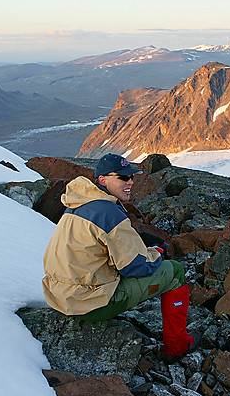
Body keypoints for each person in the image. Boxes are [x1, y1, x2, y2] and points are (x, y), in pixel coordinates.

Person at [42, 153, 201, 361]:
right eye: (123, 178)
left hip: (58, 295)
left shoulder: (78, 203)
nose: (130, 182)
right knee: (175, 272)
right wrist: (158, 253)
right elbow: (136, 267)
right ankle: (177, 345)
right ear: (102, 180)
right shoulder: (109, 213)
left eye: (131, 177)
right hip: (88, 303)